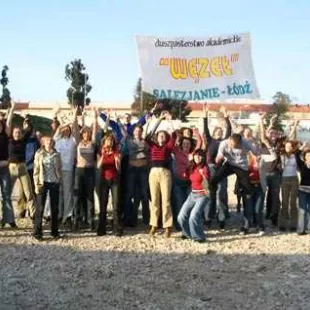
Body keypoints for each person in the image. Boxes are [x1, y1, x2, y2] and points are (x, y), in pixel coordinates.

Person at [210, 133, 259, 234]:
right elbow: (220, 154)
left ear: (240, 143)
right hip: (229, 164)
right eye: (231, 145)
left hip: (242, 167)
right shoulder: (224, 143)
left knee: (247, 194)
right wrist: (218, 159)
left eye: (235, 146)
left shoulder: (246, 143)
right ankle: (209, 194)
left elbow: (256, 152)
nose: (231, 147)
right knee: (214, 180)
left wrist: (255, 153)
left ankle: (246, 224)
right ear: (229, 140)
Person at [146, 111, 175, 238]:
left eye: (163, 135)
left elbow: (174, 135)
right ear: (157, 137)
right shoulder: (152, 146)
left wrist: (169, 120)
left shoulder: (168, 147)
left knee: (166, 200)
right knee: (154, 200)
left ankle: (167, 226)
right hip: (153, 173)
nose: (161, 137)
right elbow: (148, 135)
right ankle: (154, 224)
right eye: (160, 135)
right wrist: (158, 120)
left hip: (165, 173)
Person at [203, 105, 231, 227]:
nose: (219, 133)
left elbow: (229, 130)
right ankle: (208, 217)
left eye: (221, 131)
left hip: (221, 170)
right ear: (214, 133)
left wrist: (226, 117)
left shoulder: (224, 141)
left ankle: (221, 218)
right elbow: (205, 129)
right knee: (210, 194)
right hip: (210, 169)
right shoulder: (210, 140)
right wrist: (205, 116)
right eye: (217, 131)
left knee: (221, 195)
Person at [8, 105, 36, 219]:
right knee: (7, 193)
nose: (17, 134)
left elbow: (29, 129)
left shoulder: (23, 140)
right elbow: (8, 125)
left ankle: (34, 215)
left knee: (29, 192)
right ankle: (7, 216)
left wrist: (26, 120)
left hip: (23, 167)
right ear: (12, 133)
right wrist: (12, 110)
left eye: (19, 132)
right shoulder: (9, 140)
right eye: (15, 132)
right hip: (12, 168)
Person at [171, 129, 202, 230]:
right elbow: (172, 143)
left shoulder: (193, 154)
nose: (186, 145)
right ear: (181, 144)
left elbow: (199, 143)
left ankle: (188, 223)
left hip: (189, 183)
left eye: (188, 143)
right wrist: (176, 134)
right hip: (178, 182)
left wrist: (196, 134)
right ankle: (179, 224)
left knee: (188, 205)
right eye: (184, 143)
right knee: (179, 203)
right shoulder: (177, 151)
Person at [72, 108, 98, 230]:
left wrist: (95, 117)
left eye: (88, 133)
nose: (86, 134)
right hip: (79, 171)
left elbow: (95, 130)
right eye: (85, 133)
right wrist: (74, 115)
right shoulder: (78, 142)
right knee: (77, 196)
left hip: (90, 171)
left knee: (89, 196)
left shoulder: (92, 143)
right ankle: (76, 220)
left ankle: (90, 220)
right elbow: (75, 129)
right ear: (82, 134)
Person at [53, 107, 79, 228]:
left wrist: (74, 116)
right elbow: (58, 130)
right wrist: (63, 121)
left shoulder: (73, 141)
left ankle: (67, 215)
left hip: (68, 169)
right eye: (64, 129)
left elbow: (74, 127)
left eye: (68, 129)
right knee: (58, 192)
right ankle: (57, 214)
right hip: (56, 170)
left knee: (68, 192)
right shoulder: (57, 139)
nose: (66, 130)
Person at [177, 149, 210, 243]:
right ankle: (187, 234)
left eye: (200, 156)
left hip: (203, 195)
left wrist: (203, 174)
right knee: (181, 216)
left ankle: (199, 237)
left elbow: (207, 184)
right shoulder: (191, 166)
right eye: (196, 156)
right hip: (192, 194)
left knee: (194, 216)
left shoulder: (205, 168)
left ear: (203, 157)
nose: (197, 157)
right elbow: (185, 175)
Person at [33, 136, 61, 240]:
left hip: (54, 182)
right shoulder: (39, 154)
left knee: (55, 208)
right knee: (40, 208)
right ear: (43, 143)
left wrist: (59, 179)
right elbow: (36, 170)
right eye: (47, 141)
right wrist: (36, 185)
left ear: (53, 143)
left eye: (50, 141)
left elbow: (58, 167)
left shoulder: (56, 154)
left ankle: (54, 232)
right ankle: (37, 233)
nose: (49, 143)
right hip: (42, 182)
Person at [122, 124, 150, 227]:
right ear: (133, 132)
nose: (138, 132)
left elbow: (150, 131)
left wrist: (151, 120)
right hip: (132, 170)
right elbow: (123, 130)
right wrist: (117, 119)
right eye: (136, 131)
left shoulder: (145, 141)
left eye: (139, 131)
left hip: (143, 170)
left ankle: (146, 219)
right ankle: (128, 219)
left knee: (144, 194)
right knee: (129, 194)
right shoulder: (129, 140)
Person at [97, 134, 123, 236]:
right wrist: (103, 155)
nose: (110, 142)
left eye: (111, 141)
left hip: (115, 180)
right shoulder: (100, 151)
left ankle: (116, 228)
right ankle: (101, 228)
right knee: (103, 205)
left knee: (116, 204)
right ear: (104, 142)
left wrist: (118, 161)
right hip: (103, 180)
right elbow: (98, 166)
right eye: (108, 140)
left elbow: (119, 169)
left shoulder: (117, 152)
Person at [0, 103, 17, 228]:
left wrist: (12, 109)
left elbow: (9, 121)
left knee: (6, 194)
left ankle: (9, 219)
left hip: (5, 168)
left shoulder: (5, 135)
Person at [278, 140, 299, 231]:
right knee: (285, 202)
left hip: (294, 178)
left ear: (293, 147)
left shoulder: (296, 155)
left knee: (293, 202)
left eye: (290, 146)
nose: (288, 148)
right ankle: (283, 223)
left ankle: (293, 224)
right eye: (287, 146)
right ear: (284, 147)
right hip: (284, 179)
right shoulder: (281, 156)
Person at [295, 145, 310, 235]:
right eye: (307, 155)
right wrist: (302, 147)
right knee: (302, 210)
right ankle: (300, 230)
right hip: (303, 190)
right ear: (304, 157)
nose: (309, 157)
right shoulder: (302, 165)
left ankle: (308, 229)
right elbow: (296, 154)